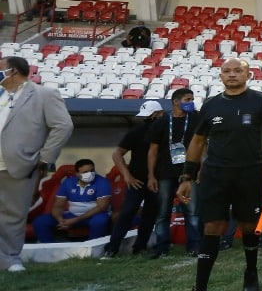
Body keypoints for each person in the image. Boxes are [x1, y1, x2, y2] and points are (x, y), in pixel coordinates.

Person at [172, 57, 262, 291]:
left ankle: (251, 271)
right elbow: (198, 142)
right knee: (212, 226)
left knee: (248, 225)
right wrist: (187, 177)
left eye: (238, 70)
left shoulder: (260, 100)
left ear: (248, 75)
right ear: (220, 76)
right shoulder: (211, 105)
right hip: (216, 174)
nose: (232, 74)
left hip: (250, 172)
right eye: (227, 71)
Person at [0, 56, 74, 271]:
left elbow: (63, 126)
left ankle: (11, 259)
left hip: (17, 164)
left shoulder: (44, 94)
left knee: (12, 216)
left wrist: (43, 158)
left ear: (12, 71)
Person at [101, 100, 166, 258]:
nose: (147, 119)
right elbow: (117, 154)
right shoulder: (138, 131)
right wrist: (127, 176)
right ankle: (112, 248)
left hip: (160, 179)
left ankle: (140, 247)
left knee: (150, 215)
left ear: (160, 114)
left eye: (151, 116)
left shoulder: (168, 131)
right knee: (127, 212)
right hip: (137, 180)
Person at [146, 88, 201, 258]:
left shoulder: (196, 120)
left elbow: (203, 146)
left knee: (192, 211)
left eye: (192, 99)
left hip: (189, 173)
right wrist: (151, 175)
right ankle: (161, 247)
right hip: (164, 173)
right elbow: (153, 151)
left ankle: (194, 246)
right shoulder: (161, 122)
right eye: (187, 99)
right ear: (176, 102)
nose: (190, 102)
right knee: (163, 212)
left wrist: (201, 170)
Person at [33, 159, 111, 242]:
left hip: (94, 216)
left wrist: (75, 220)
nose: (90, 174)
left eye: (92, 171)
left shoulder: (103, 182)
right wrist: (60, 220)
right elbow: (57, 206)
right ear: (77, 174)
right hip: (72, 215)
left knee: (100, 221)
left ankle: (93, 250)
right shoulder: (68, 182)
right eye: (85, 172)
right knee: (40, 221)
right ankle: (49, 249)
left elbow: (102, 207)